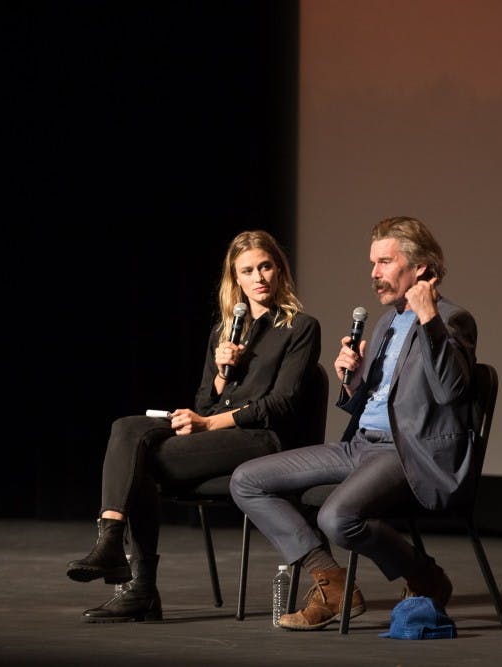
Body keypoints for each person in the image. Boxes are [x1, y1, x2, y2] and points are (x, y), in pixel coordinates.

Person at [230, 216, 478, 631]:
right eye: (372, 263)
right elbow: (369, 401)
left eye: (384, 262)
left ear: (419, 268)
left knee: (336, 518)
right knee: (246, 481)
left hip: (406, 450)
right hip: (360, 444)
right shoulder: (386, 322)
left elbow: (452, 389)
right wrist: (354, 378)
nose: (374, 274)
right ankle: (331, 580)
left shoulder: (453, 319)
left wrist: (429, 319)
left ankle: (423, 575)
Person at [66, 229, 322, 623]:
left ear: (280, 269)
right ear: (235, 279)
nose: (259, 278)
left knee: (141, 465)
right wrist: (222, 375)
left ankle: (139, 585)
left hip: (266, 441)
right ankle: (113, 540)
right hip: (220, 431)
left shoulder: (300, 327)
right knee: (126, 428)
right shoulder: (223, 332)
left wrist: (208, 424)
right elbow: (204, 400)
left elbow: (282, 404)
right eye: (248, 270)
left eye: (266, 266)